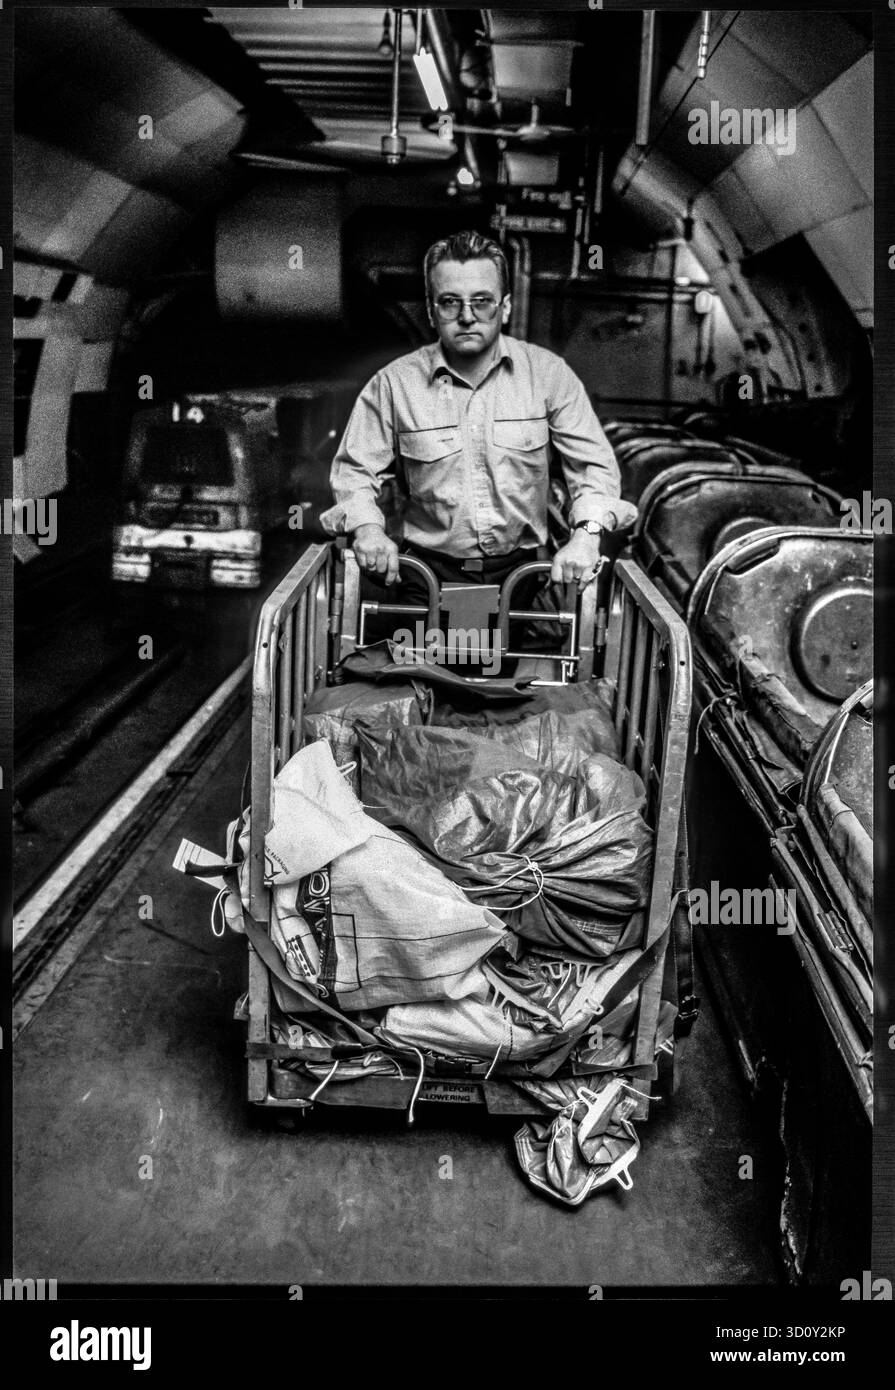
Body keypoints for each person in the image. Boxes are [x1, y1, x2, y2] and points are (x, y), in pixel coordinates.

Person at [319, 229, 636, 614]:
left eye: (482, 301)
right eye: (450, 302)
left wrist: (586, 536)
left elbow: (593, 467)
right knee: (425, 670)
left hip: (525, 575)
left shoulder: (550, 376)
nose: (467, 316)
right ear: (431, 310)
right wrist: (368, 531)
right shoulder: (393, 384)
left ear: (503, 308)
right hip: (425, 573)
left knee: (514, 671)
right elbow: (354, 471)